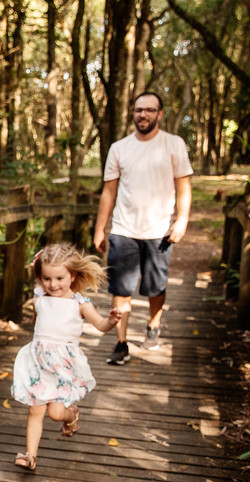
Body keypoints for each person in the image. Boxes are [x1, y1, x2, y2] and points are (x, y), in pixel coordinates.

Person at [92, 90, 192, 365]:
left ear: (160, 114)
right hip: (124, 230)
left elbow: (183, 186)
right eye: (138, 110)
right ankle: (121, 343)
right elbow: (109, 192)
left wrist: (182, 220)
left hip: (159, 231)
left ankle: (153, 324)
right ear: (133, 113)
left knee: (155, 287)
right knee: (120, 288)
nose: (143, 115)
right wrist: (100, 228)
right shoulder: (119, 148)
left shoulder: (173, 144)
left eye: (149, 110)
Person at [11, 244, 122, 471]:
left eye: (59, 278)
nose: (53, 285)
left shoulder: (79, 304)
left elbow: (101, 325)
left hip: (63, 367)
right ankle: (30, 456)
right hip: (38, 364)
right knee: (36, 410)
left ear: (73, 275)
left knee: (55, 413)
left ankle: (71, 417)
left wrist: (111, 320)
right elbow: (39, 328)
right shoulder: (39, 300)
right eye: (47, 278)